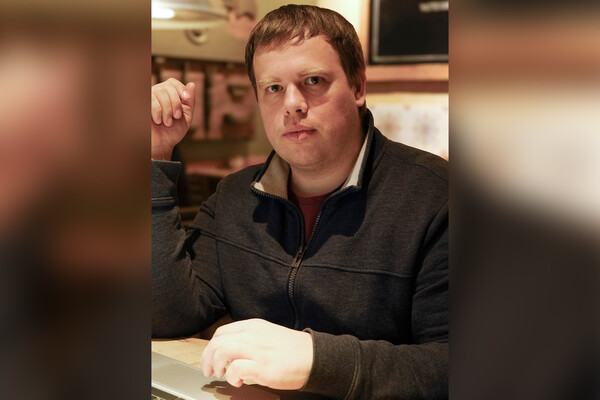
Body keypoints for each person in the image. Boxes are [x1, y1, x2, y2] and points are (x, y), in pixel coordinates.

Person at [151, 5, 448, 399]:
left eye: (313, 80)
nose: (292, 103)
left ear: (358, 87)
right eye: (273, 88)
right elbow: (169, 316)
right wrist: (155, 157)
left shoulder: (438, 197)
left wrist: (316, 361)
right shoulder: (234, 197)